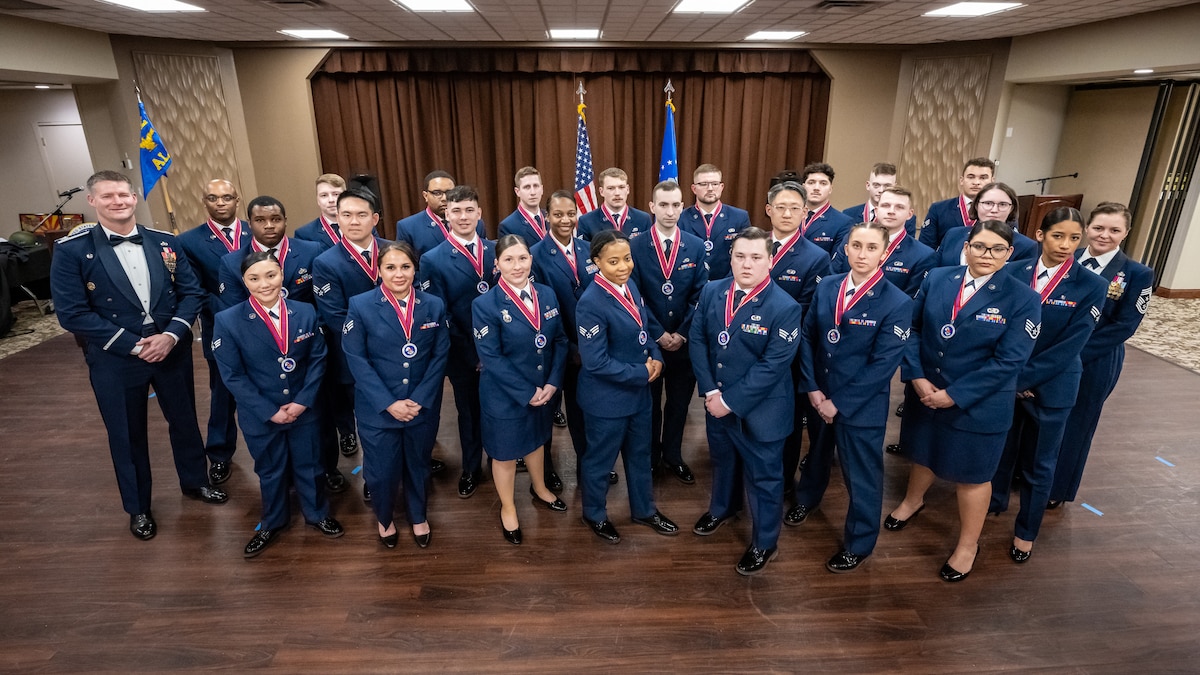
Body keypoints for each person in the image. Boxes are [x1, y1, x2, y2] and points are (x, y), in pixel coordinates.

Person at [50, 170, 227, 541]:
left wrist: (172, 336)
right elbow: (72, 313)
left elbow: (192, 293)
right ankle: (139, 507)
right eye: (108, 196)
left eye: (124, 195)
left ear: (134, 198)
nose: (118, 201)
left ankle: (195, 482)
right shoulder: (72, 250)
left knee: (184, 420)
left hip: (170, 350)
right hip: (116, 357)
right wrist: (133, 344)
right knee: (126, 434)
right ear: (92, 201)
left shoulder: (165, 242)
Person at [884, 220, 1041, 582]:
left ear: (1009, 254)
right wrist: (918, 379)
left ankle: (968, 544)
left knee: (973, 475)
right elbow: (913, 328)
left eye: (997, 249)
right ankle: (912, 501)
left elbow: (1009, 361)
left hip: (978, 404)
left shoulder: (1023, 299)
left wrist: (954, 395)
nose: (987, 255)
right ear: (966, 247)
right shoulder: (938, 278)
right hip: (926, 392)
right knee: (923, 453)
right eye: (980, 246)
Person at [791, 222, 913, 573]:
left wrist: (837, 403)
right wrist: (812, 388)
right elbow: (809, 336)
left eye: (871, 247)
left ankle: (859, 543)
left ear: (884, 253)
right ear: (845, 248)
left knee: (862, 475)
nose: (862, 254)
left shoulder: (897, 301)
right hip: (819, 394)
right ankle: (807, 500)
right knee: (816, 453)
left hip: (860, 405)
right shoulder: (829, 286)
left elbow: (882, 365)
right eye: (856, 246)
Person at [989, 207, 1106, 563]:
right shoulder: (1011, 271)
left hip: (1052, 386)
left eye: (1074, 238)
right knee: (1001, 452)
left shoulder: (1092, 285)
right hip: (1007, 380)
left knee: (1040, 464)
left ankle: (1026, 531)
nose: (1066, 245)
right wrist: (1011, 378)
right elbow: (997, 327)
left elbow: (1073, 344)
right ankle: (993, 507)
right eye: (1058, 236)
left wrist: (1025, 379)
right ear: (1040, 235)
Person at [212, 251, 344, 558]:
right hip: (260, 414)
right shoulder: (228, 321)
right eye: (254, 279)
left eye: (270, 275)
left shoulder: (305, 312)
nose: (264, 284)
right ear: (243, 282)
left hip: (303, 409)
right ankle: (273, 521)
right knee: (270, 469)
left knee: (310, 464)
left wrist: (302, 402)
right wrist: (268, 410)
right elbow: (233, 376)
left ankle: (317, 514)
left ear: (281, 274)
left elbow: (318, 360)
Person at [689, 227, 803, 575]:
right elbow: (697, 340)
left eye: (756, 257)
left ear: (770, 260)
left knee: (765, 479)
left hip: (761, 412)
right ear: (731, 257)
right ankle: (723, 508)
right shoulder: (712, 291)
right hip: (716, 402)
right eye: (740, 256)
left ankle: (765, 542)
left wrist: (730, 401)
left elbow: (773, 366)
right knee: (723, 462)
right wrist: (711, 392)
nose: (746, 264)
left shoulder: (786, 307)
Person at [342, 242, 449, 549]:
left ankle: (418, 515)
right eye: (390, 267)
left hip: (420, 407)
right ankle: (385, 517)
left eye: (405, 267)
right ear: (378, 271)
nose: (398, 274)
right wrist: (389, 403)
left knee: (418, 464)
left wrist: (419, 399)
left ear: (415, 269)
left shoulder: (434, 305)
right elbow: (356, 359)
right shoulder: (360, 305)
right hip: (378, 409)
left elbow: (439, 355)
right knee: (381, 471)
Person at [576, 229, 679, 543]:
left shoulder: (630, 286)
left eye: (627, 258)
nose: (623, 267)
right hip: (606, 401)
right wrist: (641, 372)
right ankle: (594, 514)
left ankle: (644, 510)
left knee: (640, 456)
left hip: (638, 395)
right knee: (599, 461)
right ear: (596, 262)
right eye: (613, 261)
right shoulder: (590, 302)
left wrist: (657, 356)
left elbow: (644, 327)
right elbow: (595, 362)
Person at [1050, 202, 1154, 507]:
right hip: (1051, 354)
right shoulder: (1064, 258)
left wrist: (1071, 354)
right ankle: (1029, 474)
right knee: (1042, 416)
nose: (1104, 235)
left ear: (1126, 233)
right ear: (1086, 229)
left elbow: (1124, 326)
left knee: (1077, 423)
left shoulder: (1137, 273)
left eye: (1114, 230)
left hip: (1094, 358)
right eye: (1098, 228)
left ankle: (1058, 488)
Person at [473, 235, 569, 544]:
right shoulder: (484, 304)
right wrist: (527, 391)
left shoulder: (548, 294)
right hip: (506, 395)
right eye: (509, 260)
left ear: (531, 260)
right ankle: (509, 507)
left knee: (537, 441)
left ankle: (540, 488)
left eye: (523, 258)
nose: (517, 266)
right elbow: (491, 357)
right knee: (504, 453)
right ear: (497, 264)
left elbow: (559, 341)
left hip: (544, 391)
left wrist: (553, 382)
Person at [419, 185, 497, 498]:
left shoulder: (495, 249)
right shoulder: (432, 259)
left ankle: (501, 457)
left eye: (469, 210)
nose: (463, 216)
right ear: (446, 214)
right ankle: (470, 467)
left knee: (499, 407)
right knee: (468, 411)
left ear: (479, 213)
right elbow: (441, 312)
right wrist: (474, 354)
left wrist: (493, 352)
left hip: (500, 351)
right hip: (463, 352)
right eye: (456, 210)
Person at [313, 187, 392, 495]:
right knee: (370, 423)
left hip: (400, 356)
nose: (353, 221)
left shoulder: (393, 250)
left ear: (375, 218)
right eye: (346, 215)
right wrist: (382, 340)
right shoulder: (326, 262)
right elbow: (336, 318)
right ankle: (373, 478)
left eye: (361, 215)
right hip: (356, 358)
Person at [630, 180, 709, 484]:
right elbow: (634, 296)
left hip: (684, 342)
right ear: (651, 207)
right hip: (649, 343)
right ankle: (650, 457)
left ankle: (673, 456)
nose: (670, 211)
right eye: (663, 204)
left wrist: (683, 333)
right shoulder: (634, 245)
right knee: (649, 405)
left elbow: (701, 294)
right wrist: (658, 333)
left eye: (676, 204)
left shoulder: (696, 245)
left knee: (678, 405)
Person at [176, 178, 249, 486]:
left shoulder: (255, 230)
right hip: (220, 325)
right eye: (213, 198)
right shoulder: (189, 241)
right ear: (204, 202)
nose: (221, 203)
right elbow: (193, 289)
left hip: (270, 325)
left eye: (227, 197)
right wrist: (232, 310)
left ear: (237, 200)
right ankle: (219, 454)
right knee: (223, 393)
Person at [764, 181, 832, 502]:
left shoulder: (816, 257)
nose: (787, 213)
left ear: (805, 213)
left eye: (795, 208)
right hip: (746, 351)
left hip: (788, 356)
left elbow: (806, 313)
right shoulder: (753, 244)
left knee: (787, 422)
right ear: (769, 210)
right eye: (781, 207)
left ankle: (784, 480)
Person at [531, 190, 601, 488]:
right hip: (554, 350)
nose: (565, 220)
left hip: (589, 351)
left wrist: (589, 346)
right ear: (547, 216)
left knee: (583, 413)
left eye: (570, 214)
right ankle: (546, 471)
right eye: (558, 214)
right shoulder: (534, 255)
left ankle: (590, 466)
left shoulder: (589, 250)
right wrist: (570, 347)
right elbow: (541, 310)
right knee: (547, 415)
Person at [216, 196, 322, 309]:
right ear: (249, 223)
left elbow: (322, 300)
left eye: (276, 219)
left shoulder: (311, 251)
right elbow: (236, 311)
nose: (269, 226)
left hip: (307, 323)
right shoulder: (232, 263)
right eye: (260, 220)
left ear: (285, 221)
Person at [832, 186, 935, 296]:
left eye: (899, 207)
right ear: (876, 210)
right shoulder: (852, 240)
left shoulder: (922, 255)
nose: (891, 211)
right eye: (886, 205)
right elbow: (833, 279)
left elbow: (911, 302)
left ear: (909, 214)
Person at [933, 182, 1038, 267]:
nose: (994, 210)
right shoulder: (953, 235)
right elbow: (935, 269)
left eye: (1002, 204)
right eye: (988, 203)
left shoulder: (1026, 246)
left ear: (1011, 209)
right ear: (977, 205)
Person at [679, 163, 751, 280]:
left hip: (727, 286)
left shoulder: (739, 217)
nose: (710, 188)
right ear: (694, 189)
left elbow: (745, 256)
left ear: (721, 187)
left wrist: (724, 285)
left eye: (715, 184)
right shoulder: (681, 218)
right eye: (704, 184)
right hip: (691, 288)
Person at [395, 171, 486, 256]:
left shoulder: (474, 222)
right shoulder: (408, 227)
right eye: (437, 193)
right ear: (425, 196)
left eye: (449, 192)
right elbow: (406, 267)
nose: (444, 198)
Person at [918, 157, 995, 248]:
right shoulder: (939, 209)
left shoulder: (1002, 211)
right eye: (971, 177)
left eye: (983, 178)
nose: (976, 182)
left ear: (992, 181)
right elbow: (926, 247)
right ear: (961, 180)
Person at [841, 162, 917, 237]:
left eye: (887, 186)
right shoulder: (849, 214)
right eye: (876, 185)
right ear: (868, 185)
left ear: (894, 186)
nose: (881, 190)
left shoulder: (906, 218)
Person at [577, 167, 653, 240]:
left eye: (621, 187)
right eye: (611, 188)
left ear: (628, 189)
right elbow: (585, 252)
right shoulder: (586, 221)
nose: (617, 193)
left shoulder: (643, 219)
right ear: (601, 191)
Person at [799, 163, 856, 257]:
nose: (816, 188)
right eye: (811, 182)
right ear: (803, 187)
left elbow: (837, 261)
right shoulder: (792, 215)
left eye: (823, 183)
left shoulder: (843, 222)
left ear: (830, 189)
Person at [293, 173, 346, 252]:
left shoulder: (363, 226)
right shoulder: (305, 234)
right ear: (318, 200)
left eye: (336, 194)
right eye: (324, 195)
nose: (331, 200)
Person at [498, 166, 549, 246]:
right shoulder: (508, 226)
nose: (533, 192)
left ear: (542, 189)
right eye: (527, 187)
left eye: (536, 186)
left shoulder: (552, 218)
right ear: (517, 192)